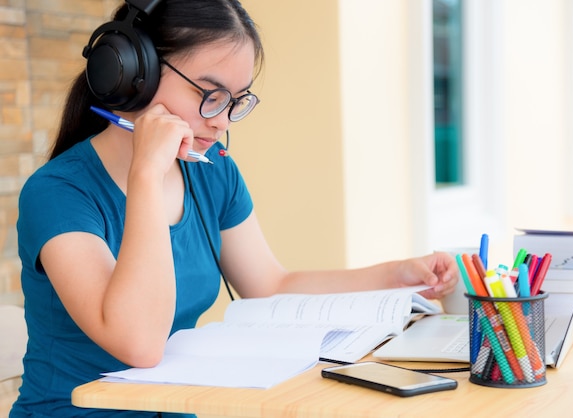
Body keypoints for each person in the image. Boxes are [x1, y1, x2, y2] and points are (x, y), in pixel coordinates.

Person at [10, 0, 458, 417]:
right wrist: (146, 174)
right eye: (210, 93)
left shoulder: (211, 171)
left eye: (235, 100)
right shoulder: (57, 193)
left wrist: (391, 276)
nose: (221, 120)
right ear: (132, 72)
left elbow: (270, 284)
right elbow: (139, 342)